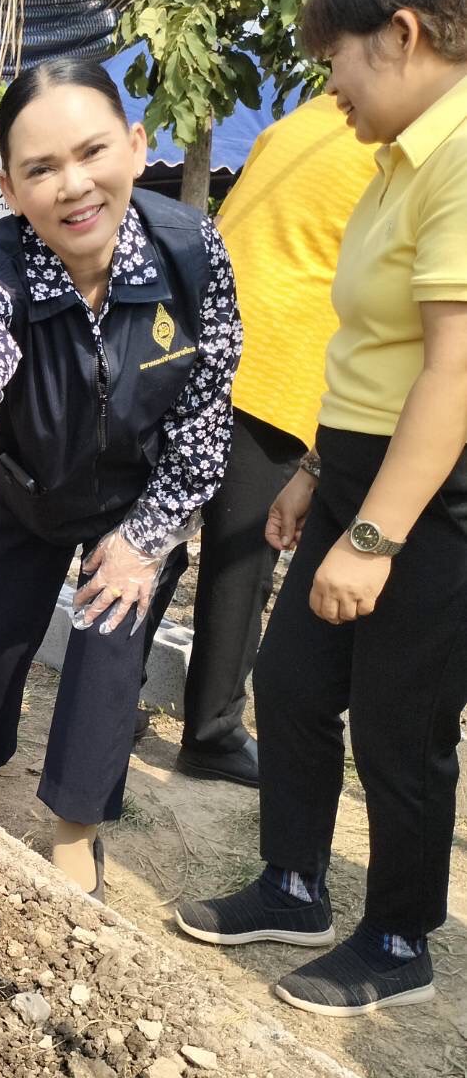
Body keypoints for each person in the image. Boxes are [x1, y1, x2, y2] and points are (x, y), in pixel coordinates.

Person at [176, 0, 467, 1017]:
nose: (328, 85)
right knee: (293, 680)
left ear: (401, 34)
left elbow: (453, 373)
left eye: (334, 58)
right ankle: (293, 886)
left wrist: (375, 535)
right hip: (353, 463)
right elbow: (368, 345)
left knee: (401, 720)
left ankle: (397, 938)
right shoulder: (394, 161)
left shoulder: (460, 157)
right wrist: (313, 471)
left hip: (432, 489)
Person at [0, 58, 242, 897]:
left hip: (139, 497)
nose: (74, 186)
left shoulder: (190, 251)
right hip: (28, 486)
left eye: (92, 152)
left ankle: (75, 827)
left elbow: (206, 411)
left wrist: (145, 540)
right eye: (41, 169)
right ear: (13, 189)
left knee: (107, 652)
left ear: (136, 145)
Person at [142, 97, 377, 787]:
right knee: (241, 559)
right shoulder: (402, 137)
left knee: (158, 531)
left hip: (198, 338)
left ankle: (112, 695)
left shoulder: (302, 118)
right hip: (279, 360)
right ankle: (212, 732)